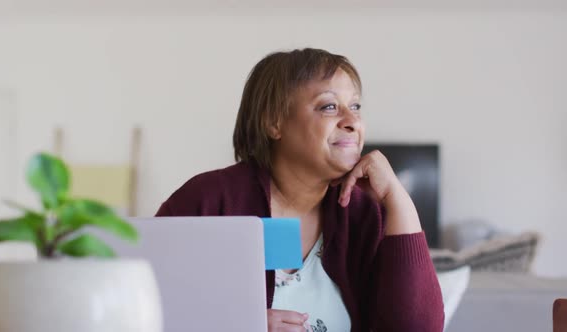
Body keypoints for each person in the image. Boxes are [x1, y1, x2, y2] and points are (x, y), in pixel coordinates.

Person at [156, 48, 444, 332]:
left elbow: (418, 328)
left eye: (355, 106)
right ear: (274, 122)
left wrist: (398, 198)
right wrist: (235, 324)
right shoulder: (206, 202)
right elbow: (137, 310)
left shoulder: (366, 214)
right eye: (329, 106)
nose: (352, 121)